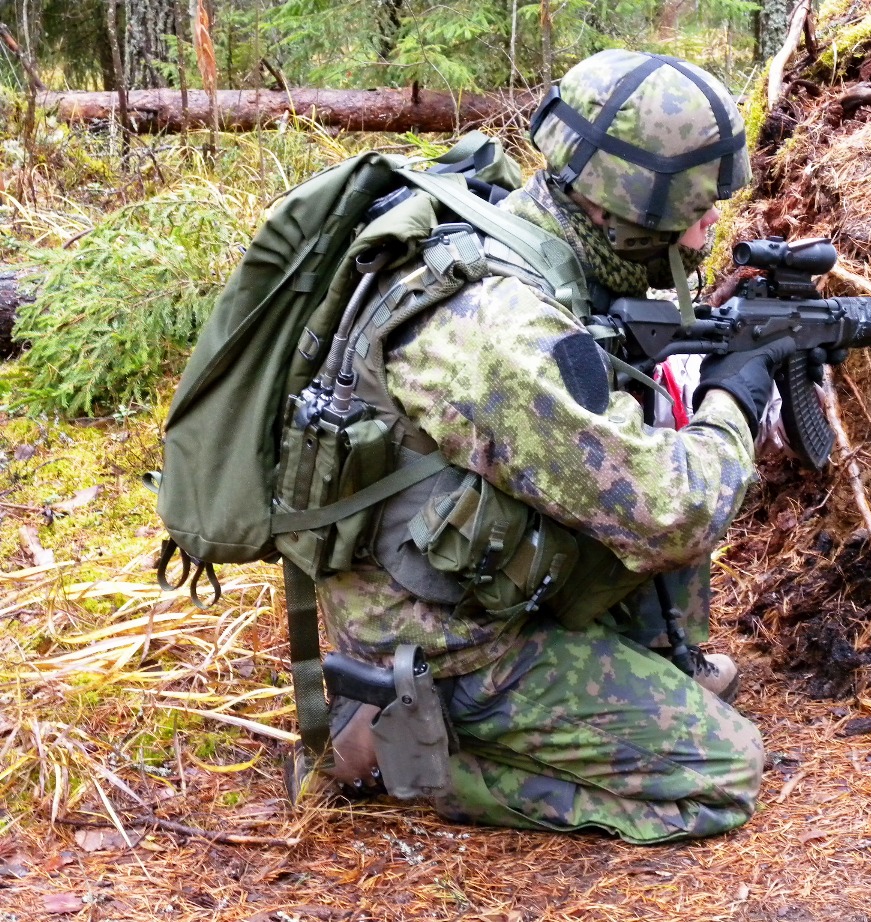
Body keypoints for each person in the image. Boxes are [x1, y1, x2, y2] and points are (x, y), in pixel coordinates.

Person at [316, 49, 794, 844]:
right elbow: (669, 513)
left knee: (642, 431)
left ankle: (639, 665)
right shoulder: (503, 326)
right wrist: (731, 401)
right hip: (446, 639)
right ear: (623, 210)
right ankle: (406, 754)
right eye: (693, 208)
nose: (709, 226)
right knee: (721, 774)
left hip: (459, 577)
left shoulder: (521, 233)